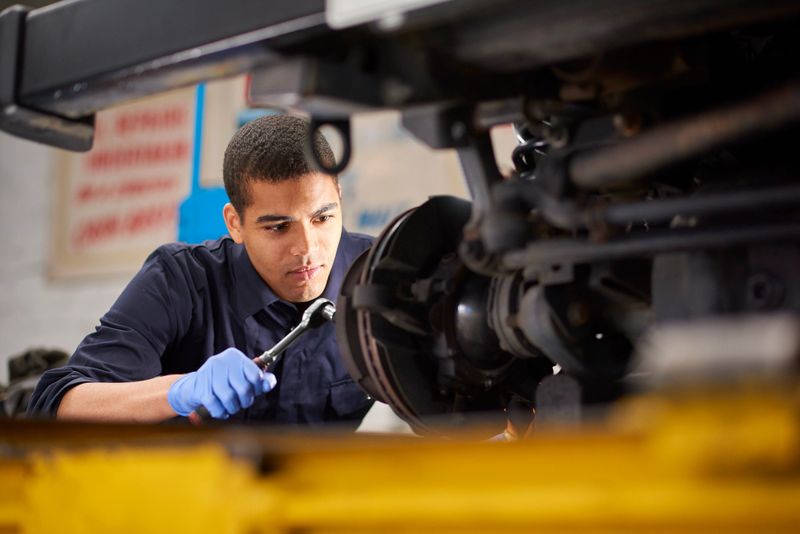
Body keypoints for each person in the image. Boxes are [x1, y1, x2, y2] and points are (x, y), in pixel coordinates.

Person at [28, 114, 374, 427]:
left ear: (339, 197)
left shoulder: (379, 275)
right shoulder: (179, 281)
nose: (308, 249)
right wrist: (180, 391)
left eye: (322, 218)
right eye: (278, 228)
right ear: (235, 224)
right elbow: (56, 407)